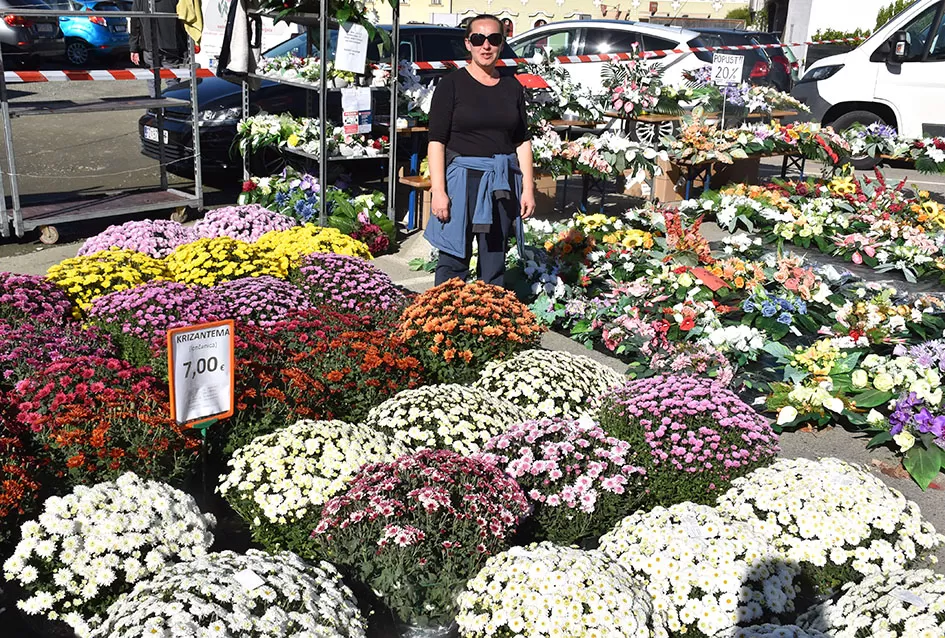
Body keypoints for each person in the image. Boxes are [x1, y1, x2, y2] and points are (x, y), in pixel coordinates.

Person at [425, 14, 536, 288]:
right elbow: (436, 141)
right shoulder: (451, 85)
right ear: (468, 43)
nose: (486, 46)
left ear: (501, 44)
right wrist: (438, 190)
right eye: (478, 39)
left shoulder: (512, 86)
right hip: (462, 182)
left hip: (501, 182)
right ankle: (444, 320)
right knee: (453, 256)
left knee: (494, 256)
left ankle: (490, 323)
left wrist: (528, 188)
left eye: (494, 39)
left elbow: (521, 140)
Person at [129, 0, 187, 97]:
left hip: (149, 44)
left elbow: (135, 23)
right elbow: (184, 18)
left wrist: (134, 48)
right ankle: (175, 106)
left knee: (152, 80)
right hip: (171, 44)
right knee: (172, 79)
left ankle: (155, 107)